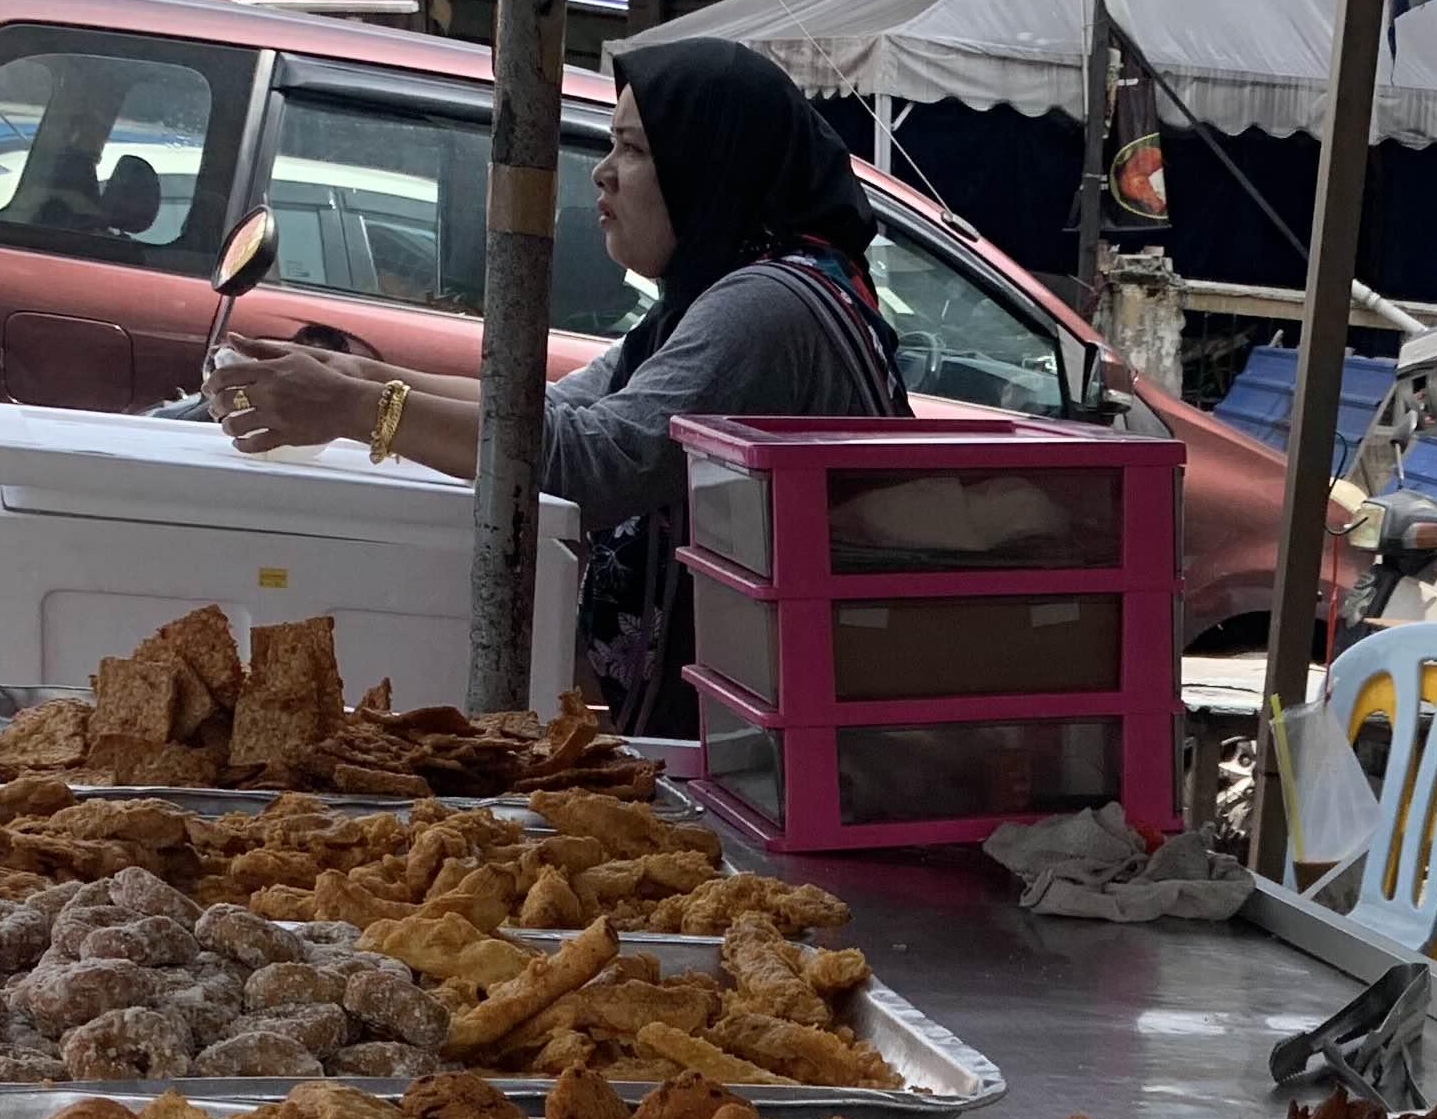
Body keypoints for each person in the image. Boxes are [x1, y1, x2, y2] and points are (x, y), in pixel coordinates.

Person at [206, 40, 910, 732]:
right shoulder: (709, 297)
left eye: (633, 149)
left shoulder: (769, 308)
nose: (602, 173)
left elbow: (594, 461)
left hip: (805, 741)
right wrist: (357, 374)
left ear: (712, 164)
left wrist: (357, 409)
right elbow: (554, 411)